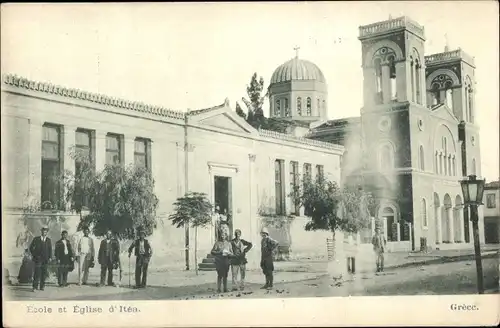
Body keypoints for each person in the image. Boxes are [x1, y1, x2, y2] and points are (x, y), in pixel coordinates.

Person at [29, 226, 52, 291]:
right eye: (43, 231)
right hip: (38, 259)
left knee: (44, 273)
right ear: (41, 231)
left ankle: (42, 286)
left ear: (47, 232)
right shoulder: (36, 239)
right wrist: (35, 255)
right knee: (37, 273)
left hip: (45, 259)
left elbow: (50, 250)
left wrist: (50, 257)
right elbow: (31, 248)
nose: (44, 232)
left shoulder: (48, 240)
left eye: (45, 231)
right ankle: (35, 287)